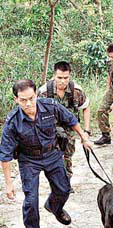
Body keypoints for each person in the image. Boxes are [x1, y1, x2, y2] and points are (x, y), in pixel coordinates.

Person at [0, 80, 93, 228]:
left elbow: (71, 119)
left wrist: (84, 138)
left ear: (36, 95)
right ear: (16, 100)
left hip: (52, 154)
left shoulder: (49, 106)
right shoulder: (13, 122)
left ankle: (54, 206)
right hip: (29, 160)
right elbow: (5, 155)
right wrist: (9, 184)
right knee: (31, 202)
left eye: (31, 98)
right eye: (23, 100)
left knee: (64, 189)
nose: (28, 104)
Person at [38, 61, 90, 191]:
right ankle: (56, 184)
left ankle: (66, 182)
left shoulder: (76, 90)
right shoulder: (44, 92)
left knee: (67, 155)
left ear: (70, 76)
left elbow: (86, 107)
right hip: (51, 129)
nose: (62, 81)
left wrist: (86, 132)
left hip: (69, 129)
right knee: (54, 157)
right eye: (59, 78)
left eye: (66, 78)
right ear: (54, 76)